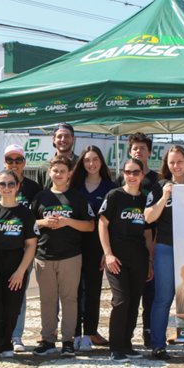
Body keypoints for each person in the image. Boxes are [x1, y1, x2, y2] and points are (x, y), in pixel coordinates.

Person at [31, 155, 95, 357]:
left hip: (70, 256)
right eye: (55, 171)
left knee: (70, 299)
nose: (58, 174)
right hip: (43, 256)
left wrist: (68, 222)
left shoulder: (77, 198)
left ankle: (68, 341)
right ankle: (48, 339)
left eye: (62, 171)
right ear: (50, 172)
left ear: (69, 174)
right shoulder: (40, 197)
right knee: (47, 300)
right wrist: (43, 222)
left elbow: (90, 225)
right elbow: (28, 224)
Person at [0, 144, 42, 352]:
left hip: (19, 257)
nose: (6, 187)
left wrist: (21, 270)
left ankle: (12, 339)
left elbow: (34, 236)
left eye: (18, 160)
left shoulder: (31, 196)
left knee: (14, 302)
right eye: (9, 160)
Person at [144, 146, 184, 360]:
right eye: (171, 163)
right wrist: (165, 195)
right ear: (166, 165)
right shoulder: (159, 186)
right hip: (166, 248)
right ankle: (158, 344)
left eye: (180, 162)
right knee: (163, 297)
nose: (176, 166)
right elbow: (148, 217)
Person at [99, 158, 154, 362]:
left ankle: (127, 344)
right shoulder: (114, 195)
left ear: (142, 175)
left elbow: (148, 234)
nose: (132, 176)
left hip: (139, 258)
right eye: (128, 172)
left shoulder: (145, 199)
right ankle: (115, 347)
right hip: (117, 259)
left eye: (136, 172)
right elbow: (102, 225)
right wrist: (108, 254)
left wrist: (149, 261)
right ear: (123, 173)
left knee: (133, 302)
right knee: (121, 300)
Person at [115, 132, 160, 348]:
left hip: (151, 241)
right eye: (135, 148)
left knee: (150, 294)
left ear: (149, 152)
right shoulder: (120, 182)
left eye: (142, 148)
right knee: (127, 297)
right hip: (125, 247)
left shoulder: (156, 180)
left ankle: (149, 332)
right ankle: (123, 340)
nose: (138, 151)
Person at [69, 145, 116, 351]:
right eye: (87, 160)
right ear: (82, 163)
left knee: (93, 291)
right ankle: (74, 333)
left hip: (98, 248)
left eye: (95, 159)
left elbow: (112, 223)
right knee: (74, 291)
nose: (91, 163)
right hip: (74, 246)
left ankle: (90, 332)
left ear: (101, 162)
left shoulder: (110, 188)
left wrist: (108, 252)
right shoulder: (75, 186)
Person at [37, 123, 79, 188]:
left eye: (67, 136)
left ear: (73, 139)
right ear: (54, 139)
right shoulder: (44, 168)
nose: (63, 139)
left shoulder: (81, 164)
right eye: (59, 136)